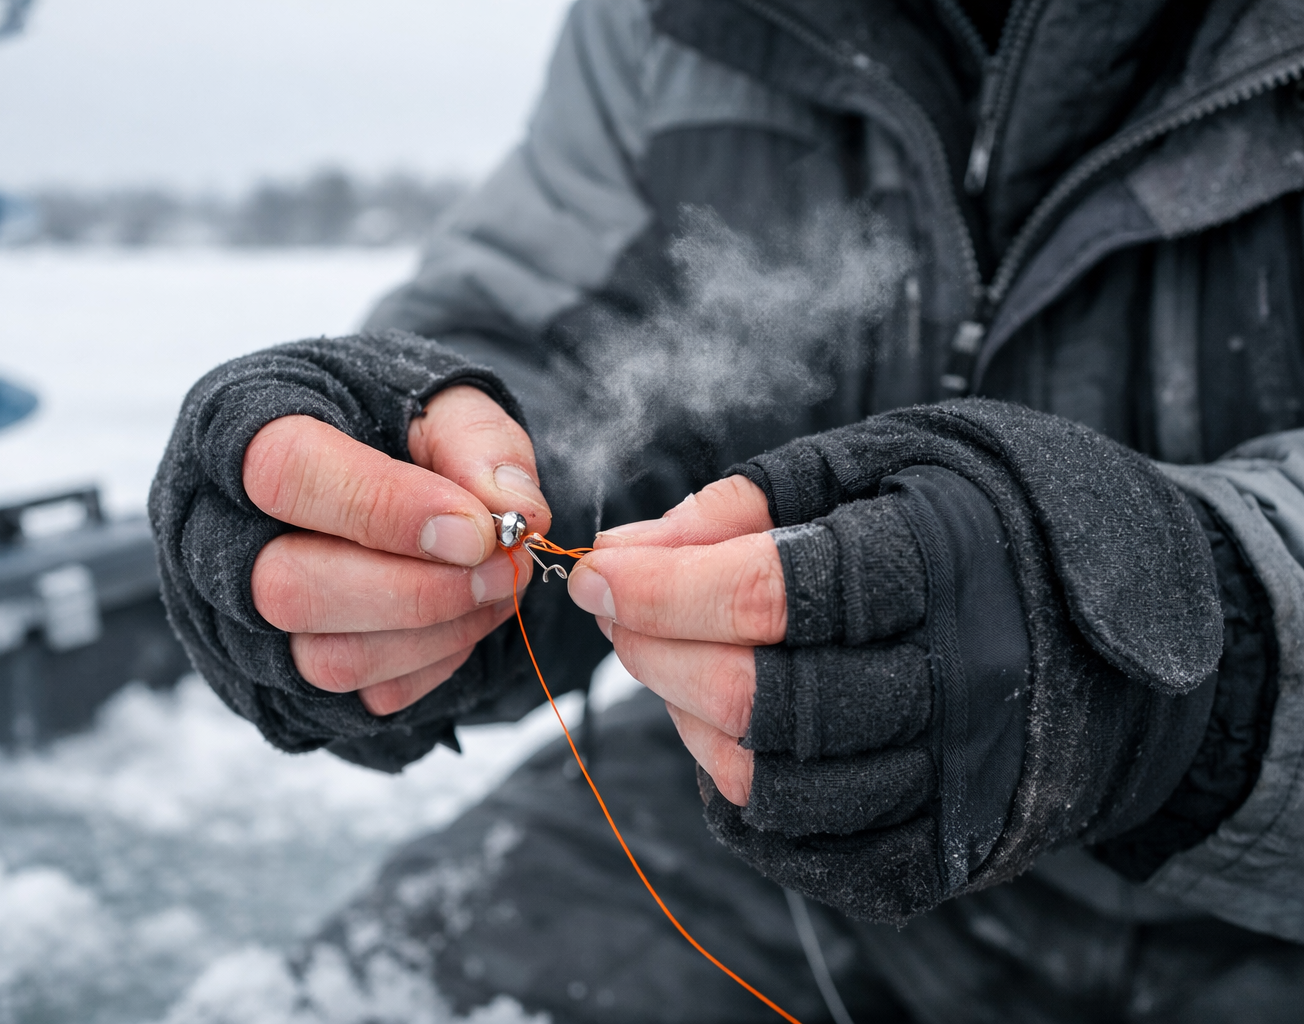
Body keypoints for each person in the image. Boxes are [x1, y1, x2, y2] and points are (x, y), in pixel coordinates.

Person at [150, 0, 1304, 1020]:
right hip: (770, 809)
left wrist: (1171, 646)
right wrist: (415, 457)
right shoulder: (662, 20)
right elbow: (576, 344)